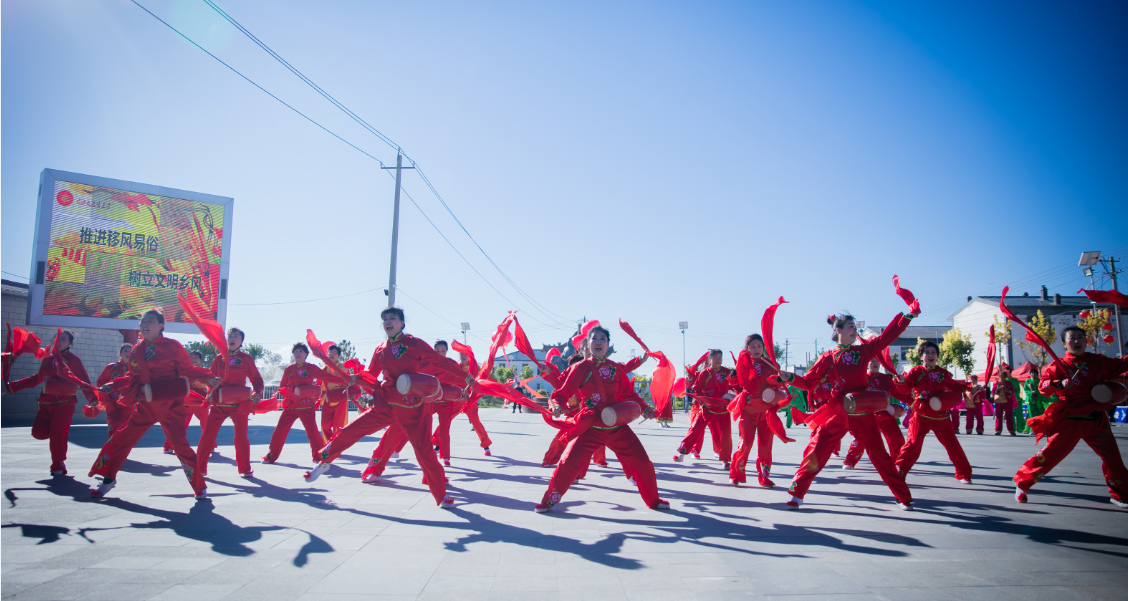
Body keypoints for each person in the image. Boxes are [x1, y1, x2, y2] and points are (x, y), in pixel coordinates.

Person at [304, 307, 468, 508]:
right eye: (385, 319)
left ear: (402, 323)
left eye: (392, 318)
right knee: (351, 430)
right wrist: (356, 379)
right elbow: (371, 375)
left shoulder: (413, 343)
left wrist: (466, 377)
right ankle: (324, 461)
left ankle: (441, 495)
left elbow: (439, 362)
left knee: (424, 450)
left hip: (410, 407)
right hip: (386, 403)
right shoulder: (380, 349)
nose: (388, 322)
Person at [779, 310, 917, 510]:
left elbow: (887, 336)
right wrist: (790, 377)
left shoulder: (864, 351)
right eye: (851, 326)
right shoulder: (828, 357)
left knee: (880, 456)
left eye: (855, 327)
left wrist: (907, 317)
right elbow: (808, 383)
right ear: (839, 330)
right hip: (838, 410)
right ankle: (796, 494)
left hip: (862, 410)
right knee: (817, 450)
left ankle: (903, 496)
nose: (855, 330)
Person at [536, 326, 669, 512]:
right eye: (594, 338)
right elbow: (563, 391)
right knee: (568, 464)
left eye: (603, 339)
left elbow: (629, 394)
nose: (598, 342)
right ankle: (548, 501)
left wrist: (646, 410)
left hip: (617, 427)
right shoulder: (580, 368)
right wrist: (557, 405)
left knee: (643, 462)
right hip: (590, 427)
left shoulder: (615, 368)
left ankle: (653, 500)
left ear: (608, 344)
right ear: (588, 344)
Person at [88, 309, 212, 499]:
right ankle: (108, 479)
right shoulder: (137, 349)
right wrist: (113, 385)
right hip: (145, 406)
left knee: (180, 446)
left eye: (150, 321)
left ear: (161, 325)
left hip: (171, 406)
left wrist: (209, 377)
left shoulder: (173, 346)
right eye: (142, 321)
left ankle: (199, 487)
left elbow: (187, 370)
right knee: (121, 439)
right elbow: (132, 377)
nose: (144, 324)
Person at [1014, 326, 1128, 507]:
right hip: (1070, 419)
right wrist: (1059, 384)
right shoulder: (1058, 365)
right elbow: (1043, 387)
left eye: (1080, 337)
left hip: (1096, 419)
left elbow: (1122, 364)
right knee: (1049, 456)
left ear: (1086, 340)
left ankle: (1119, 494)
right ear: (1064, 344)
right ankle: (1022, 484)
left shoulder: (1098, 361)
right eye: (1072, 338)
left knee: (1113, 459)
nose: (1077, 341)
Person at [7, 330, 91, 475]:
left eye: (63, 339)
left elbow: (84, 381)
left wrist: (93, 401)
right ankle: (57, 434)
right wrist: (15, 386)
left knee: (58, 433)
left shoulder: (73, 360)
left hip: (65, 404)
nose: (59, 341)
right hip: (46, 403)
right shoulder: (47, 359)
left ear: (70, 344)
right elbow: (38, 378)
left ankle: (58, 464)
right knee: (38, 432)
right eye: (57, 338)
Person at [893, 340, 977, 484]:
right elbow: (905, 388)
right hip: (921, 415)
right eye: (927, 353)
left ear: (937, 356)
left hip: (941, 416)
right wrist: (900, 382)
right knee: (912, 445)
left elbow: (955, 386)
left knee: (952, 445)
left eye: (933, 352)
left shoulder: (943, 373)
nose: (931, 355)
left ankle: (964, 473)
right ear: (921, 356)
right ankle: (900, 471)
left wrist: (970, 387)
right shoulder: (916, 372)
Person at [263, 343, 351, 465]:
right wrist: (292, 394)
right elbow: (282, 386)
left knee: (312, 432)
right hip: (291, 406)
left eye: (301, 351)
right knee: (279, 430)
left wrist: (346, 380)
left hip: (306, 407)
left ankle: (319, 457)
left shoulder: (311, 368)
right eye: (295, 351)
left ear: (306, 354)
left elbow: (328, 377)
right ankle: (271, 456)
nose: (298, 354)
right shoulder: (289, 369)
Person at [195, 328, 265, 478]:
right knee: (208, 436)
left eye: (235, 336)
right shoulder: (219, 358)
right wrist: (210, 393)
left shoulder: (246, 358)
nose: (232, 338)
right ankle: (200, 468)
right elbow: (211, 379)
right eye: (230, 336)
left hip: (239, 404)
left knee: (241, 437)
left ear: (241, 341)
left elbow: (257, 379)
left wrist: (257, 394)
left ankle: (245, 469)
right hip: (219, 403)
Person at [729, 334, 782, 487]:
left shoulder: (771, 364)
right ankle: (737, 474)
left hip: (767, 412)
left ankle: (764, 477)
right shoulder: (742, 364)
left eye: (759, 346)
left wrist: (780, 380)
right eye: (752, 347)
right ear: (747, 349)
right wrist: (733, 376)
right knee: (745, 443)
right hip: (748, 411)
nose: (756, 349)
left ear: (763, 348)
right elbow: (735, 385)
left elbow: (778, 385)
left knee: (765, 446)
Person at [841, 359, 908, 470]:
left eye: (877, 361)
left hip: (885, 414)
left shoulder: (886, 379)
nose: (875, 363)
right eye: (872, 361)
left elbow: (897, 394)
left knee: (897, 438)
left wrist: (910, 400)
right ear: (867, 363)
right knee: (861, 440)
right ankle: (850, 461)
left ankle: (897, 463)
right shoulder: (861, 378)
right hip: (868, 415)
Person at [673, 350, 734, 469]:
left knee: (725, 435)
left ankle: (725, 460)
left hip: (722, 408)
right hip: (707, 408)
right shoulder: (703, 373)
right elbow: (695, 389)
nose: (718, 360)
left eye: (720, 357)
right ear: (709, 359)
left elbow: (736, 384)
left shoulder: (727, 372)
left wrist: (734, 395)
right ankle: (682, 454)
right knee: (695, 429)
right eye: (715, 357)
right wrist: (702, 401)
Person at [163, 351, 211, 454]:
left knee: (206, 426)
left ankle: (210, 445)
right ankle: (169, 446)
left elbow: (211, 385)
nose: (193, 359)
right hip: (185, 403)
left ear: (200, 360)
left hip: (201, 403)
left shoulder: (205, 372)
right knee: (178, 426)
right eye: (191, 357)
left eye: (196, 357)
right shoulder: (182, 371)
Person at [96, 343, 134, 439]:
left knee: (126, 427)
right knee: (114, 424)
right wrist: (105, 394)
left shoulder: (135, 370)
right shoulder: (111, 367)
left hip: (128, 403)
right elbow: (100, 382)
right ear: (120, 354)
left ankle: (122, 447)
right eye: (125, 351)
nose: (128, 353)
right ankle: (112, 446)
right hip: (112, 403)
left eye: (130, 352)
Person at [319, 344, 357, 441]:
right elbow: (318, 385)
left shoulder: (343, 368)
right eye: (330, 352)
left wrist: (353, 393)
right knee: (324, 425)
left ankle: (336, 445)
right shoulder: (323, 370)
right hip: (327, 400)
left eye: (334, 353)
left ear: (338, 355)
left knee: (339, 427)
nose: (332, 354)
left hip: (340, 401)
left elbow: (351, 383)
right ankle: (327, 445)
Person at [993, 364, 1019, 436]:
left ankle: (1011, 430)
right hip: (999, 401)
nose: (1002, 378)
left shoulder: (1009, 383)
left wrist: (1006, 390)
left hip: (1007, 401)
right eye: (1001, 376)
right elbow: (993, 391)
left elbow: (1012, 392)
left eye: (1003, 377)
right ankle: (998, 430)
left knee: (1009, 416)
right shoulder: (996, 383)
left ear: (1005, 377)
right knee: (999, 416)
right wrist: (998, 389)